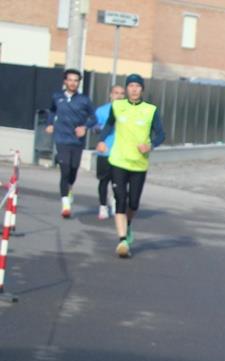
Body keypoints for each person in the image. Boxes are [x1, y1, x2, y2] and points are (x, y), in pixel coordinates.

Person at [96, 75, 165, 258]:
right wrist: (101, 140)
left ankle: (127, 225)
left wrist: (150, 146)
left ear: (142, 89)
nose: (134, 89)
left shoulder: (150, 110)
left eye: (137, 86)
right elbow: (108, 125)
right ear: (127, 89)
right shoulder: (118, 106)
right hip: (118, 161)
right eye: (131, 86)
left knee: (133, 203)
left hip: (139, 164)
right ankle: (122, 241)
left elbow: (161, 135)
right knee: (120, 199)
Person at [44, 69, 96, 219]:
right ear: (65, 81)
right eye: (70, 80)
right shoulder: (57, 97)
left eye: (76, 80)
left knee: (73, 169)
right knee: (65, 169)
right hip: (61, 138)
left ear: (79, 83)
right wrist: (49, 123)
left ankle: (69, 188)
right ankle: (65, 204)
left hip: (77, 141)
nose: (73, 83)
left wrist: (85, 127)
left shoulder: (84, 100)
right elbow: (52, 111)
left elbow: (93, 117)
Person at [92, 83, 125, 220]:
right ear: (111, 95)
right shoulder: (102, 111)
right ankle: (103, 206)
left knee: (119, 182)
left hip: (122, 152)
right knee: (104, 181)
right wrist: (99, 129)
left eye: (122, 93)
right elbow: (94, 127)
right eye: (116, 93)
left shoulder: (128, 111)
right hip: (105, 151)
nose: (119, 96)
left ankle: (115, 202)